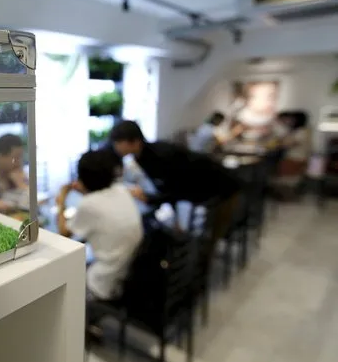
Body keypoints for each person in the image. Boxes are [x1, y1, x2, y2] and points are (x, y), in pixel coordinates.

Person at [109, 120, 242, 244]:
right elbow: (169, 188)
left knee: (209, 241)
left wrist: (150, 199)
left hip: (220, 187)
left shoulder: (161, 156)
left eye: (118, 142)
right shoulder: (142, 156)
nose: (115, 146)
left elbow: (175, 189)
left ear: (135, 142)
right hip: (203, 189)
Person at [56, 149, 143, 307]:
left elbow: (63, 233)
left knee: (60, 278)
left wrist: (61, 199)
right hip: (129, 270)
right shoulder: (121, 190)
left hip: (104, 281)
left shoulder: (89, 204)